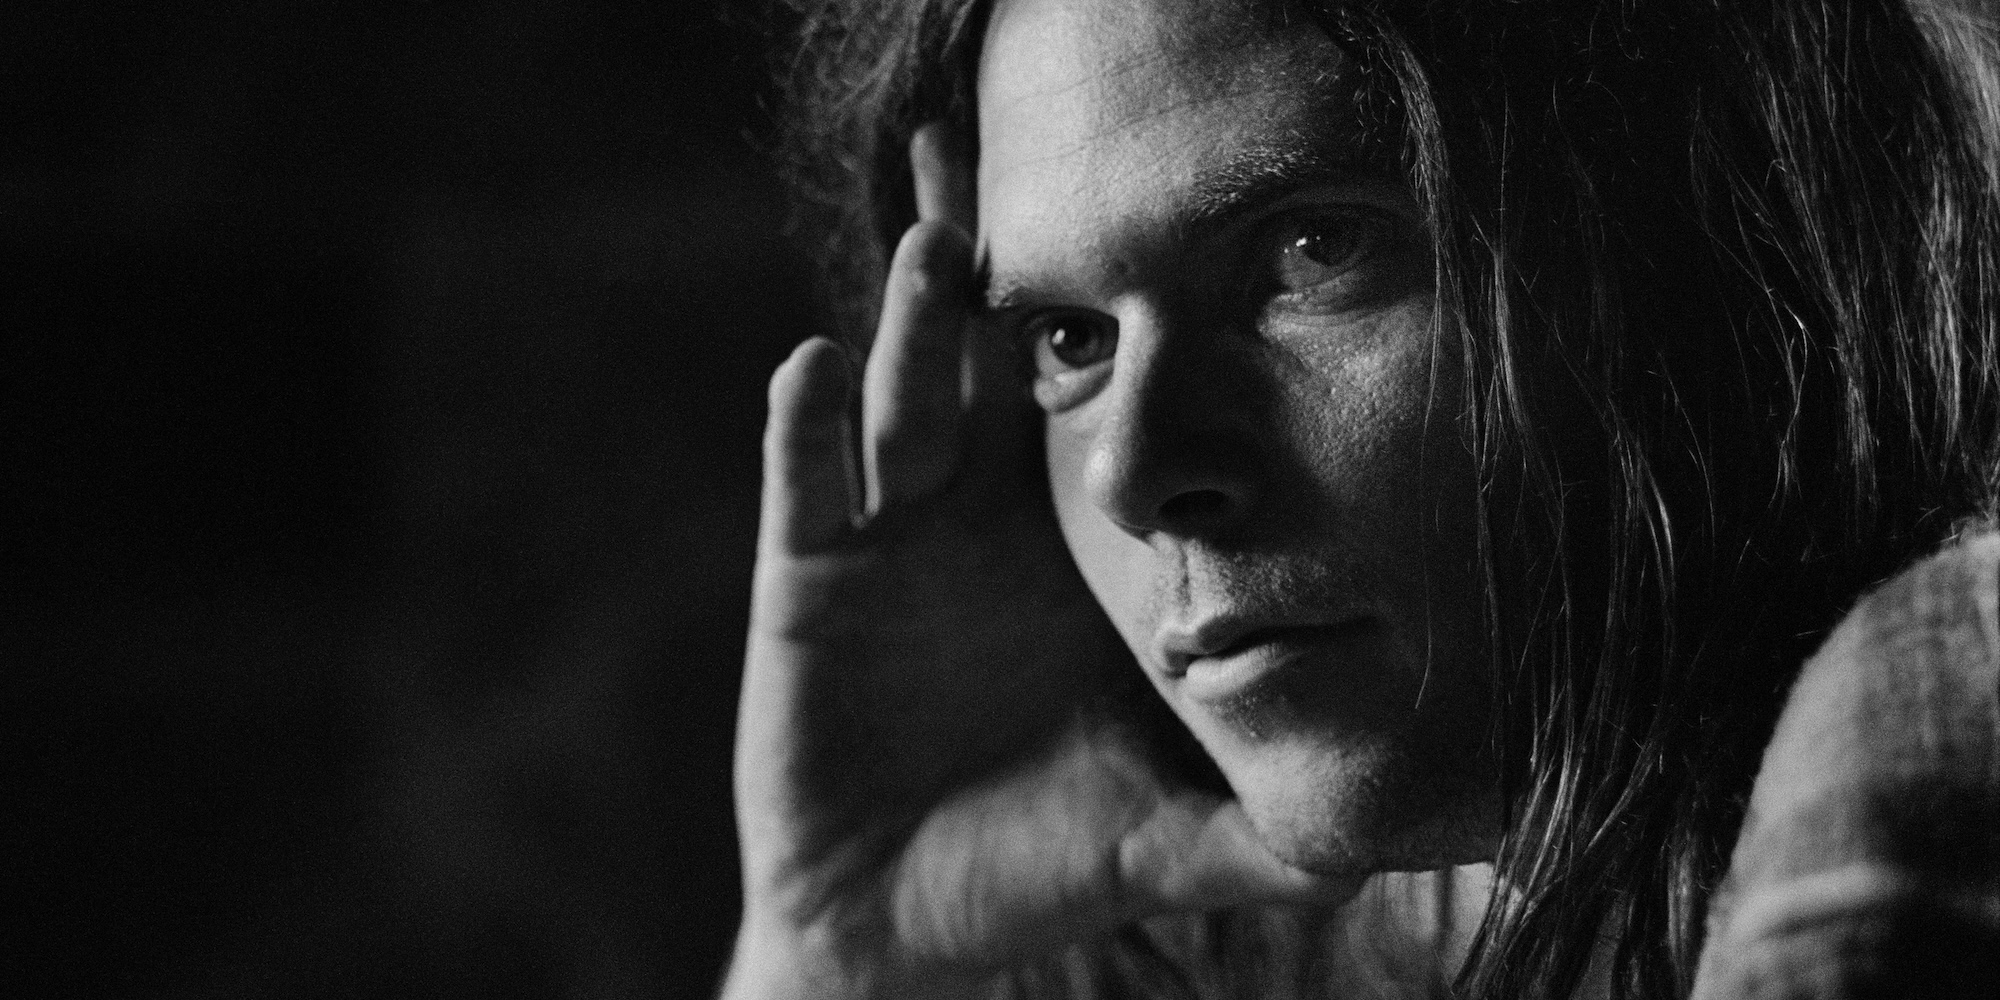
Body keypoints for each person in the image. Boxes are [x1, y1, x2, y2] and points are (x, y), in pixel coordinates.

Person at [727, 0, 2000, 997]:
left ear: (1717, 214)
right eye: (1068, 338)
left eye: (1312, 248)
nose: (1131, 476)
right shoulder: (1311, 931)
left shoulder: (1927, 713)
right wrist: (832, 948)